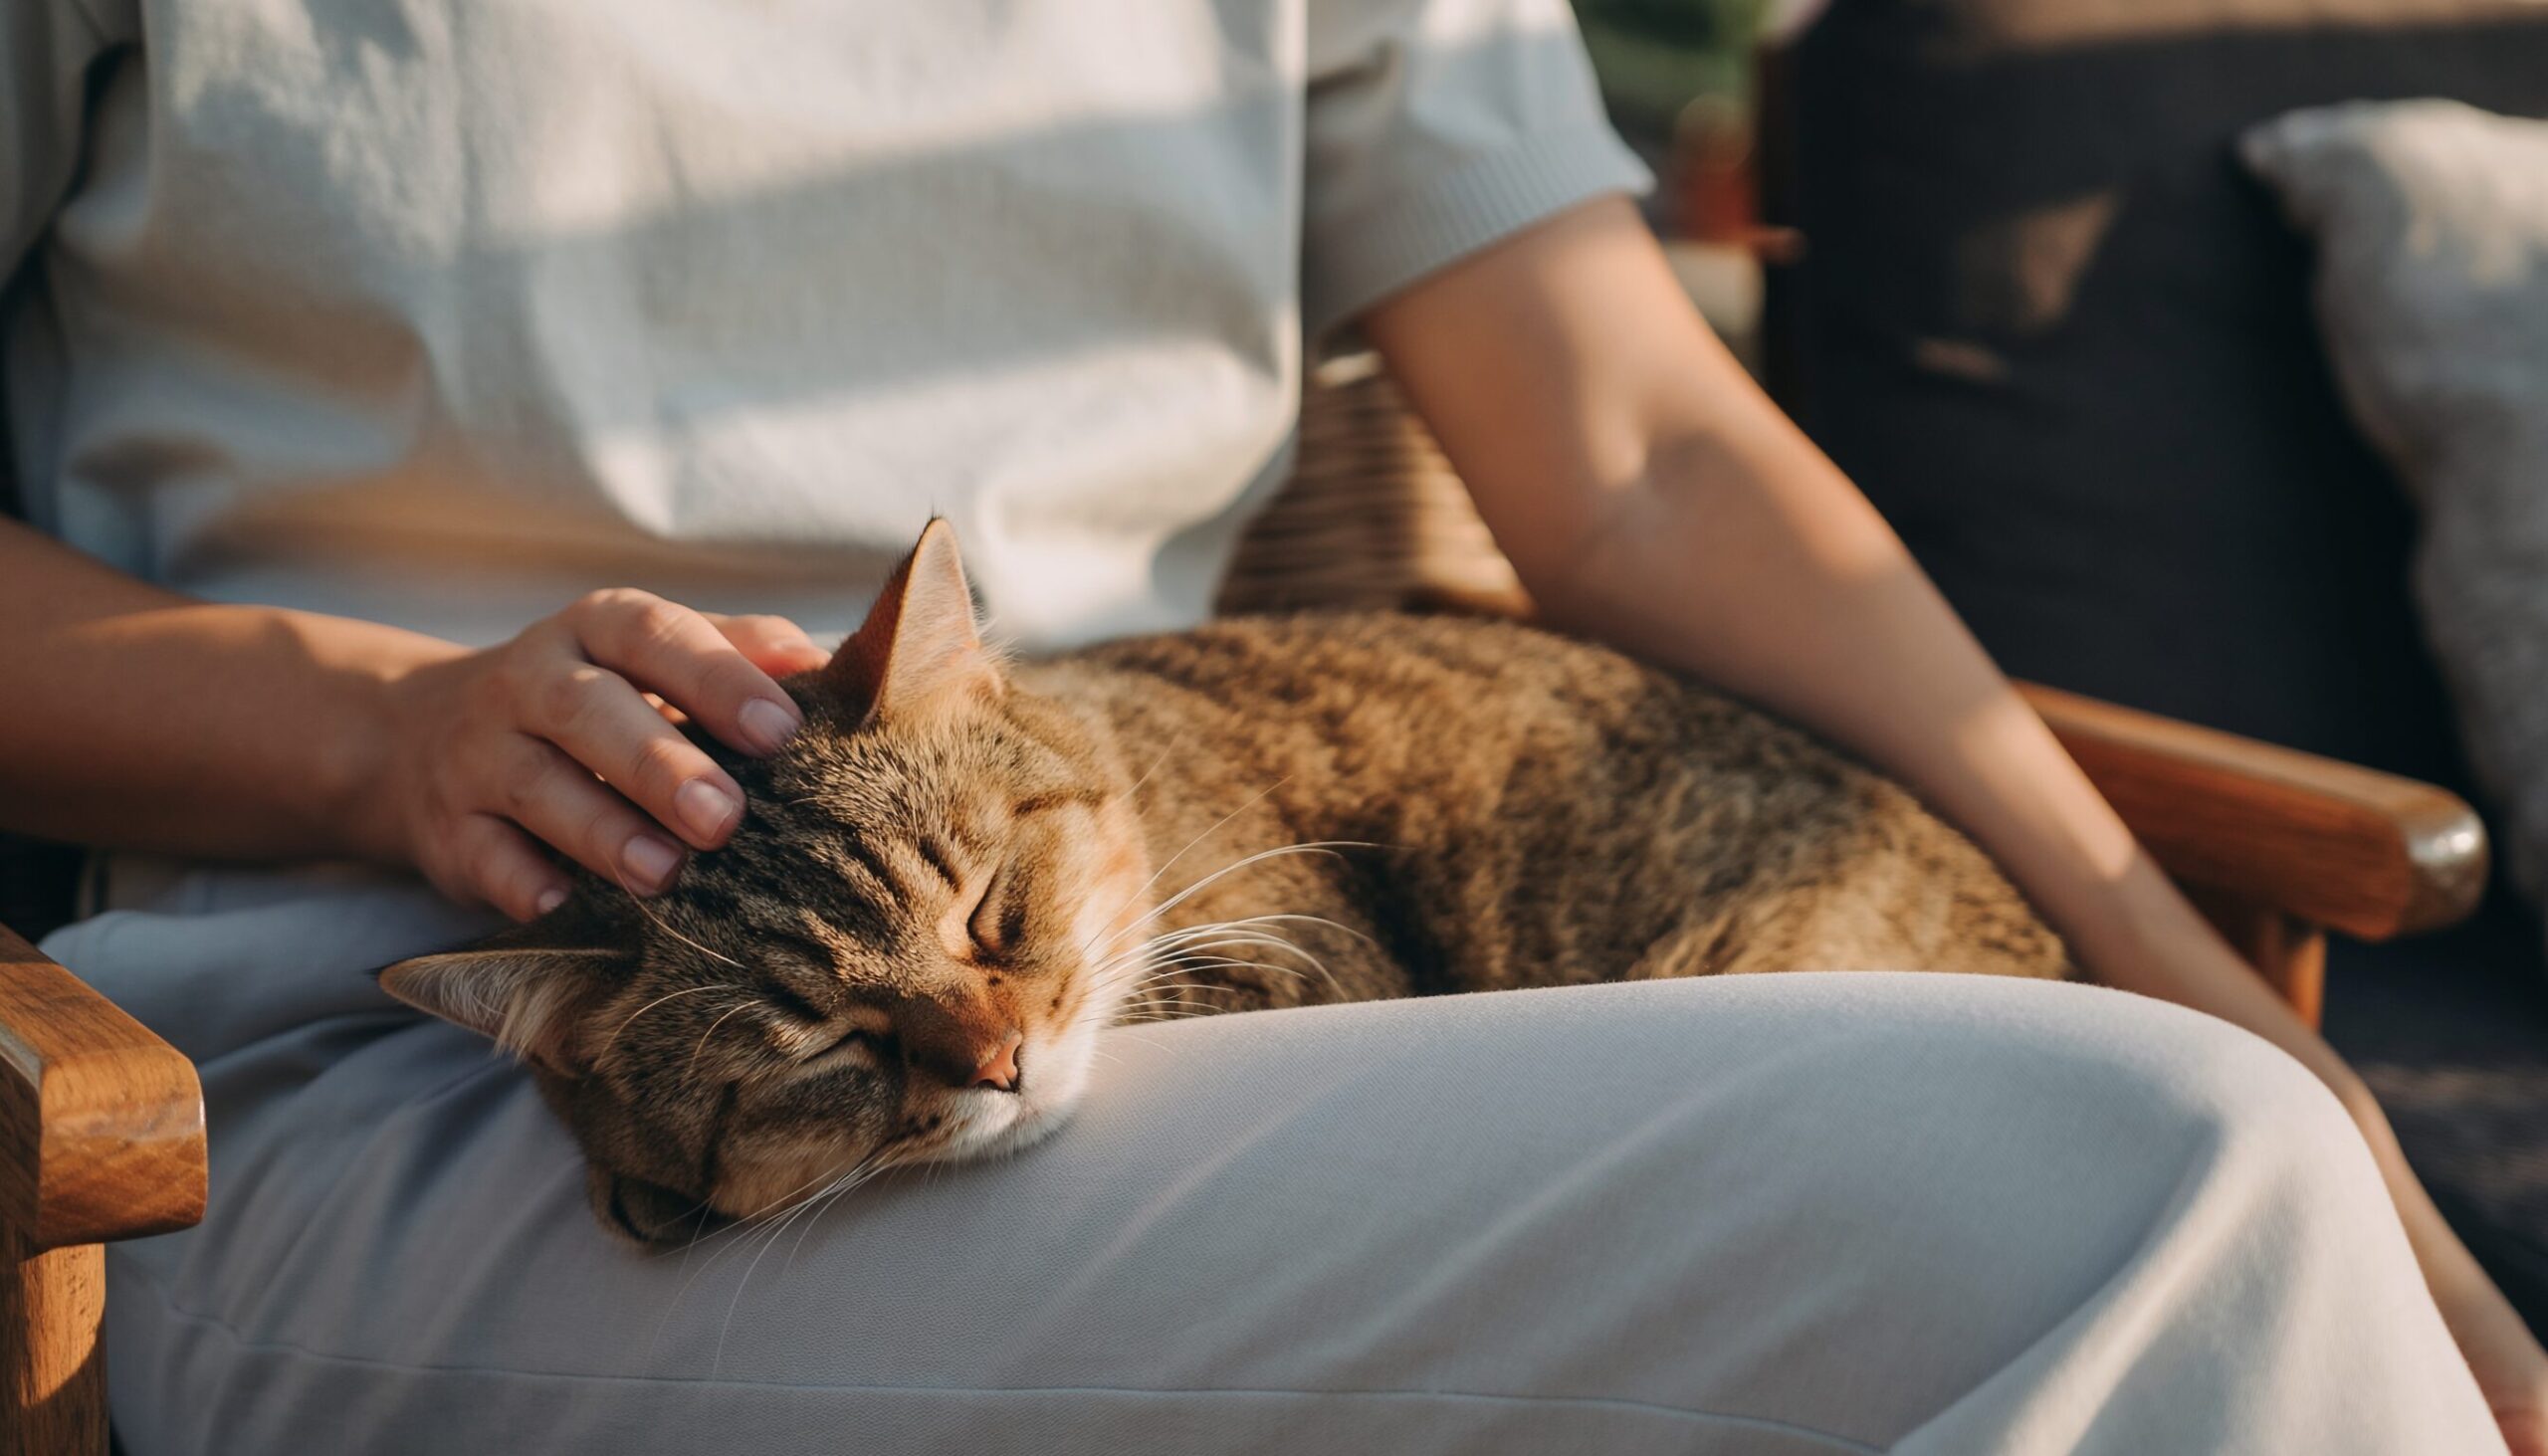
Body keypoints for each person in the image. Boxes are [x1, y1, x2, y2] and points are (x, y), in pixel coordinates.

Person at [1, 1, 2534, 1451]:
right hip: (389, 1086)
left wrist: (2187, 976)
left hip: (1132, 926)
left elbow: (1638, 454)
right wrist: (369, 733)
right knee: (2144, 1189)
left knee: (2211, 1146)